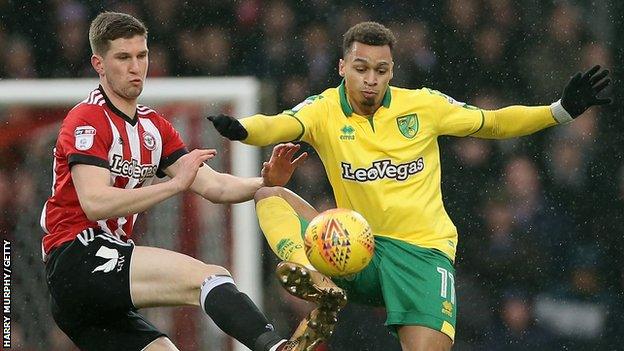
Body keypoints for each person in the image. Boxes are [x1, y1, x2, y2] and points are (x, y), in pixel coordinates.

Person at [208, 21, 611, 350]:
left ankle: (321, 282)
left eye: (381, 71)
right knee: (269, 191)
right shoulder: (323, 109)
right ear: (342, 68)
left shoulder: (423, 106)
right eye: (361, 68)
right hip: (354, 248)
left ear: (392, 72)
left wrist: (560, 111)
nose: (371, 80)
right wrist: (243, 130)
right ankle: (312, 274)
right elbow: (280, 123)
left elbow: (493, 122)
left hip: (422, 254)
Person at [40, 11, 322, 351]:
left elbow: (215, 187)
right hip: (78, 257)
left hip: (98, 289)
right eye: (123, 58)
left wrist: (262, 180)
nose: (135, 67)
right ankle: (276, 347)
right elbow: (95, 202)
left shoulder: (154, 127)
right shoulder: (86, 119)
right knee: (207, 277)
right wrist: (174, 185)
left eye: (142, 55)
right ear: (99, 64)